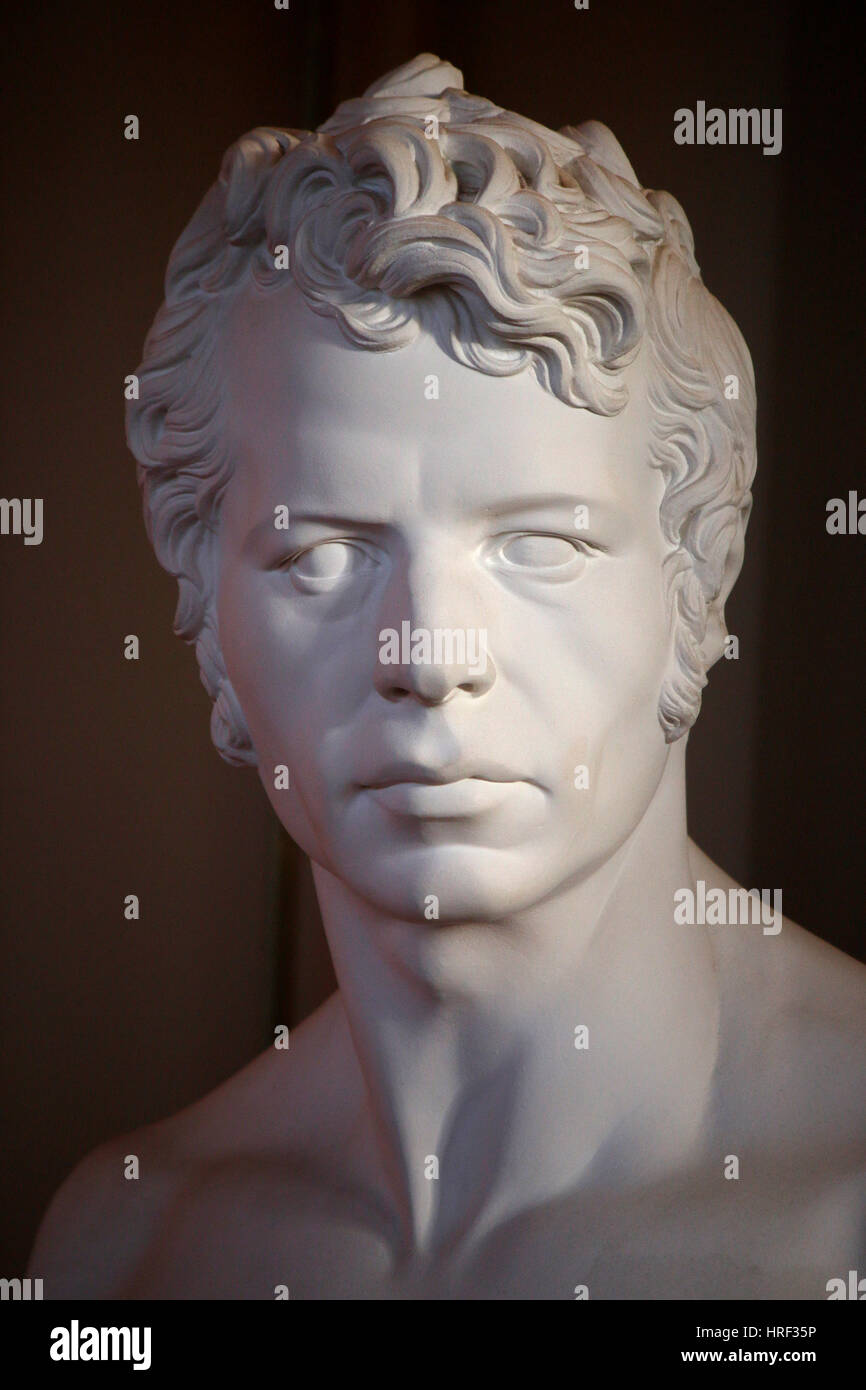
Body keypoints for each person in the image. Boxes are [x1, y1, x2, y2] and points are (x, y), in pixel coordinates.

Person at [28, 53, 866, 1300]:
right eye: (323, 553)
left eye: (540, 546)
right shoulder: (127, 1248)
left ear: (697, 574)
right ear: (203, 602)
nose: (429, 656)